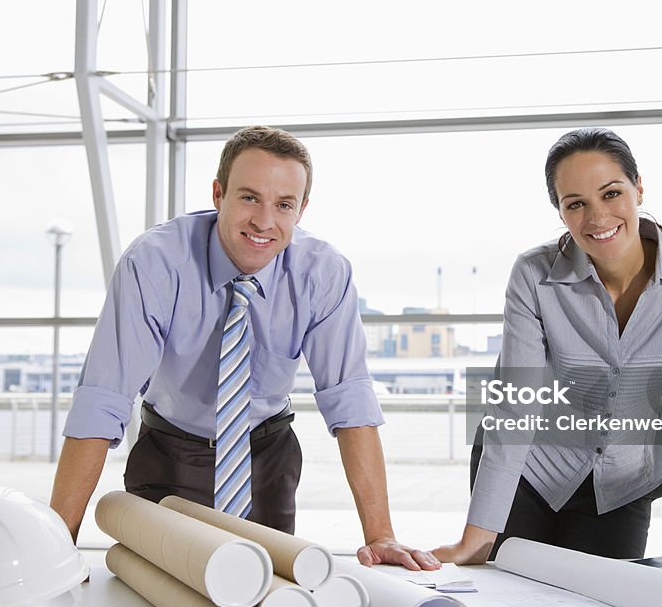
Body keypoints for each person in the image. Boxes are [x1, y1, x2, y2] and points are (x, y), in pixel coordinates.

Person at [51, 125, 439, 571]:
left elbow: (349, 398)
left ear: (302, 209)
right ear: (219, 193)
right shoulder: (154, 263)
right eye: (250, 197)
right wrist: (59, 547)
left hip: (267, 457)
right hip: (170, 453)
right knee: (163, 595)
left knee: (264, 590)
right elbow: (105, 398)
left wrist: (380, 535)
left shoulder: (323, 273)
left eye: (284, 205)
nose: (264, 221)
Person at [434, 127, 662, 563]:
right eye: (576, 204)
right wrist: (475, 537)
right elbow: (517, 407)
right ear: (561, 212)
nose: (597, 217)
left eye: (610, 194)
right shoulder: (535, 275)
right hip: (528, 474)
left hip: (624, 485)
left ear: (638, 188)